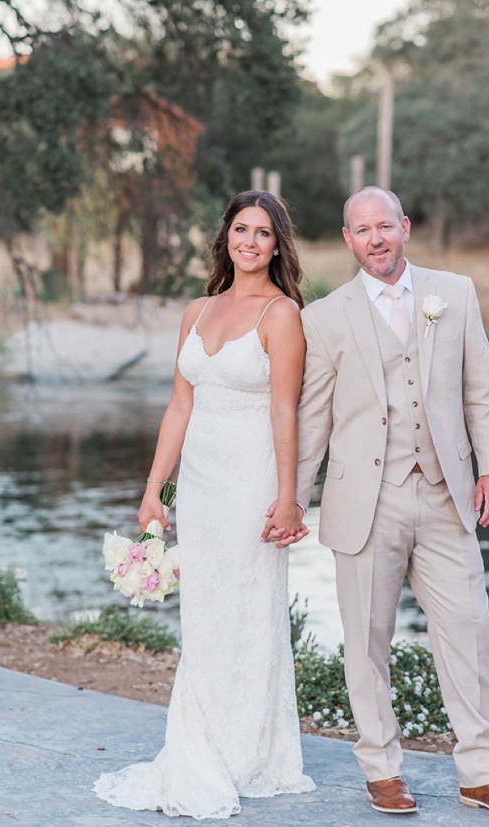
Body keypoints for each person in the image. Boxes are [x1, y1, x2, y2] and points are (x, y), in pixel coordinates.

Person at [267, 186, 489, 820]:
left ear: (405, 228)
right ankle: (383, 771)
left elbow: (484, 392)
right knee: (367, 642)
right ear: (347, 239)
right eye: (361, 230)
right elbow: (312, 417)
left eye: (384, 226)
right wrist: (292, 500)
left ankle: (483, 775)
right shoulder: (325, 317)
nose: (375, 239)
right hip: (365, 502)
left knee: (469, 634)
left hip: (448, 497)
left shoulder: (457, 293)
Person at [94, 190, 316, 819]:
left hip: (252, 483)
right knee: (205, 614)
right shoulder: (197, 310)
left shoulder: (282, 314)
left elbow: (284, 411)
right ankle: (205, 742)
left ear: (277, 244)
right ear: (225, 238)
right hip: (199, 485)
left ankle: (247, 755)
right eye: (241, 229)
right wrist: (153, 492)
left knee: (248, 612)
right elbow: (179, 407)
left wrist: (287, 498)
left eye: (264, 232)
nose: (251, 241)